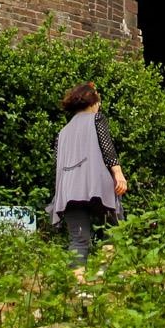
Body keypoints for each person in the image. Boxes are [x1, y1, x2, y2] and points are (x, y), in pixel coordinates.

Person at [44, 82, 127, 263]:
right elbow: (107, 148)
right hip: (96, 186)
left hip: (69, 192)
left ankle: (78, 287)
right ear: (93, 102)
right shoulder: (96, 119)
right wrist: (118, 173)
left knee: (78, 240)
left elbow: (58, 165)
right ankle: (102, 274)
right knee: (114, 230)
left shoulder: (62, 132)